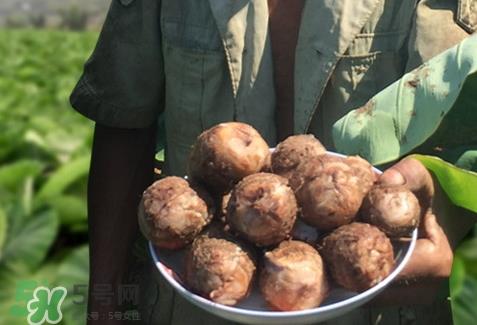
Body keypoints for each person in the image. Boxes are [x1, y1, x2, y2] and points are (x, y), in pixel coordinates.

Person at [70, 0, 477, 324]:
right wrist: (105, 300)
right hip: (197, 298)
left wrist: (441, 218)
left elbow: (463, 134)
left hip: (378, 307)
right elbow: (123, 117)